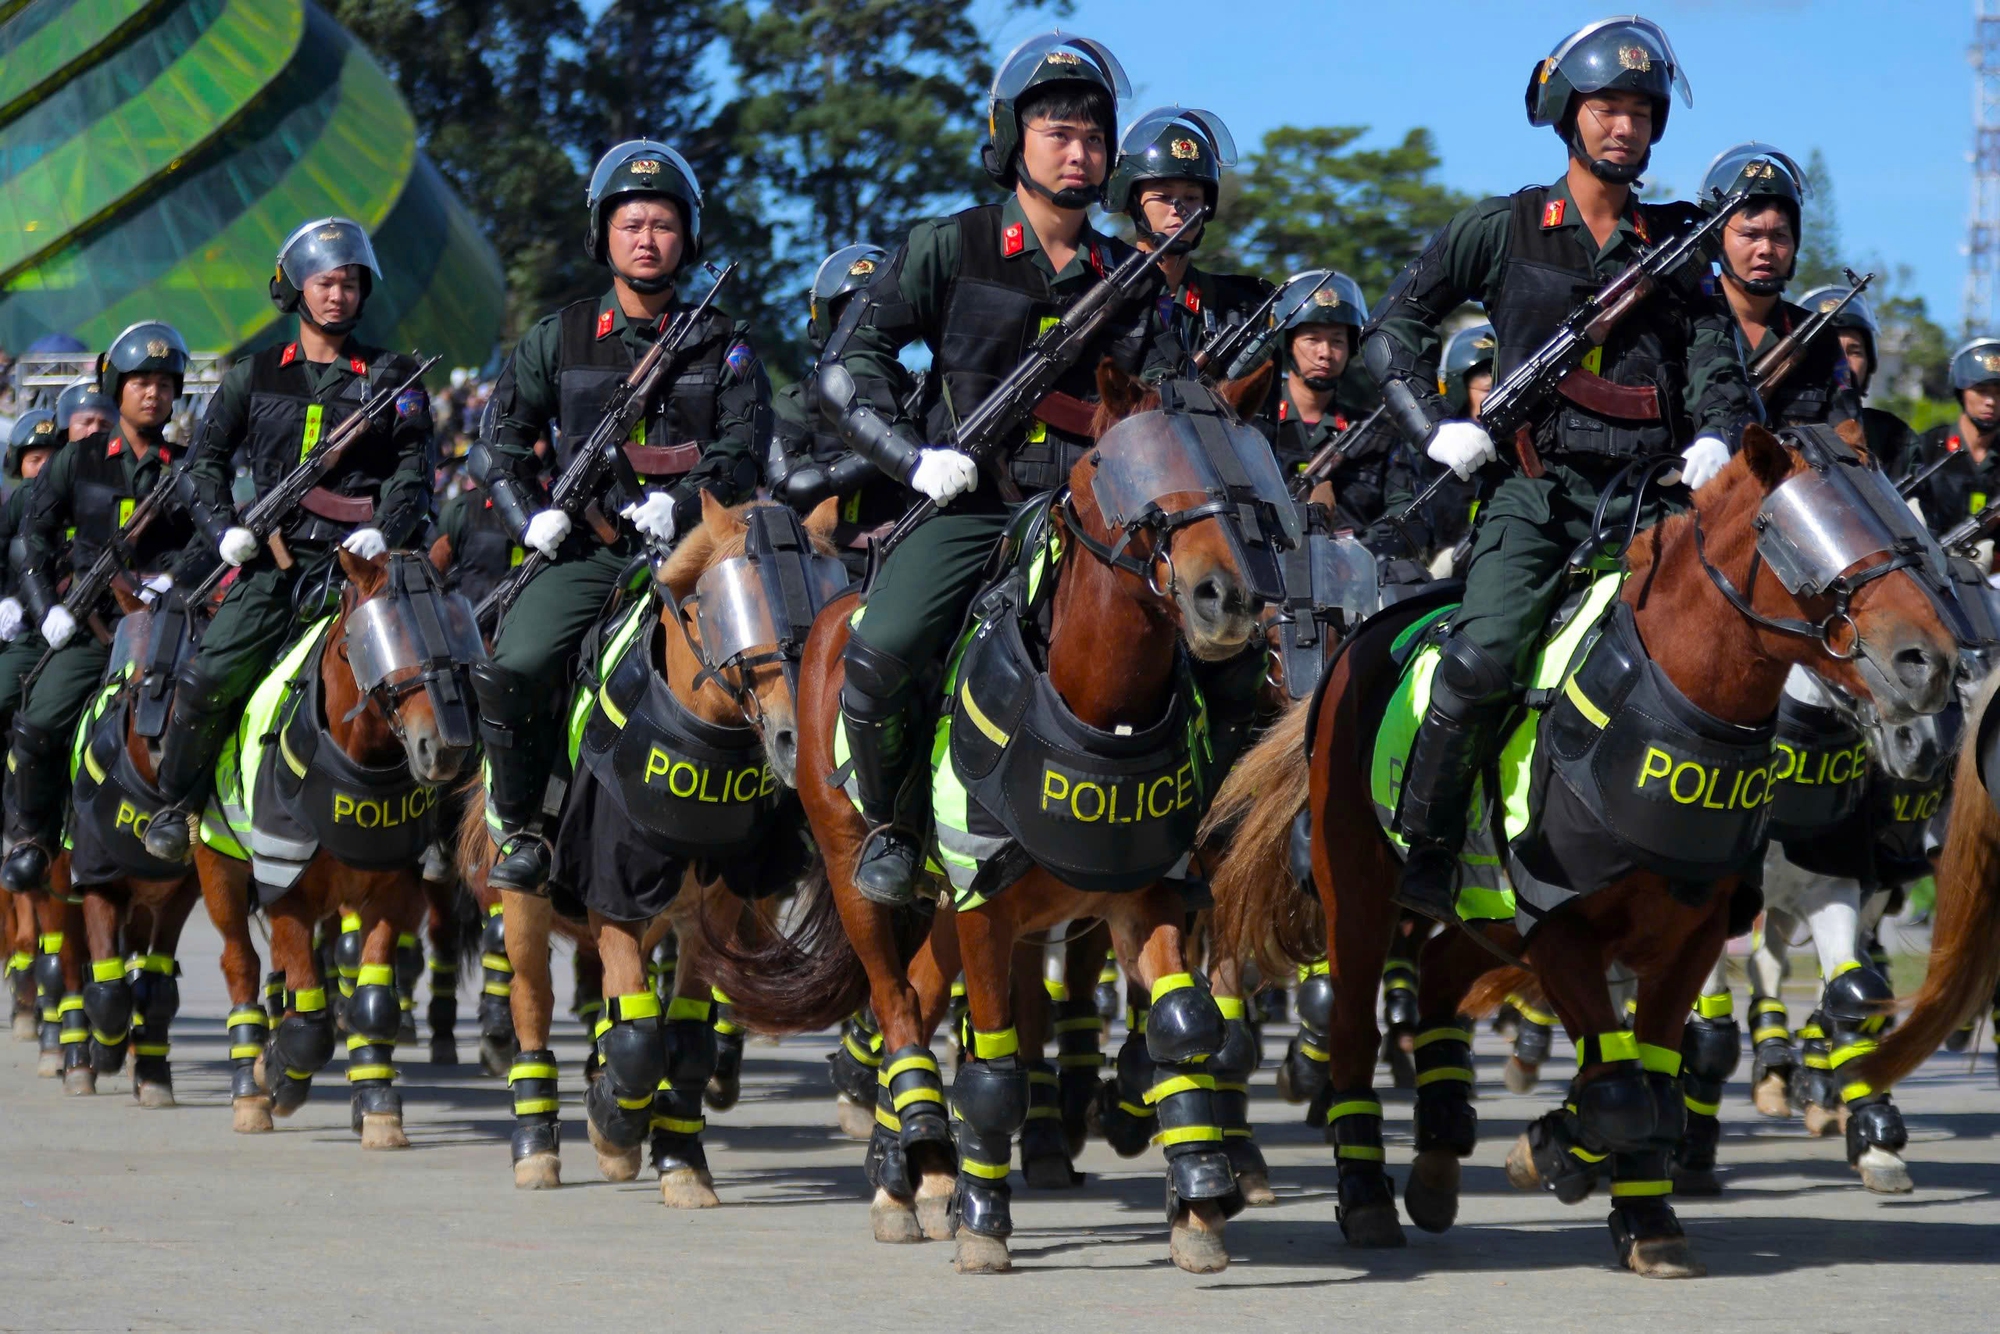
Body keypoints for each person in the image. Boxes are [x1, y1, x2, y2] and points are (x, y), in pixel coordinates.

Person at [1359, 16, 1753, 920]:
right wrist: (1432, 427)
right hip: (1536, 494)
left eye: (1641, 112)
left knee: (1735, 654)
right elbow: (1391, 332)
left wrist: (1717, 437)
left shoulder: (1681, 241)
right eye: (1606, 108)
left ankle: (1725, 861)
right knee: (1485, 654)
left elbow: (1715, 358)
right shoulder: (1503, 229)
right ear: (1567, 115)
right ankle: (1428, 841)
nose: (1624, 127)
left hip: (1652, 501)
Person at [814, 31, 1167, 904]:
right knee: (883, 650)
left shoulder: (1132, 274)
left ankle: (1196, 832)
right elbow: (844, 364)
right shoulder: (951, 246)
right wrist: (911, 455)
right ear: (1014, 140)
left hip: (1097, 520)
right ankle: (895, 830)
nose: (1078, 152)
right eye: (1057, 132)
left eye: (1092, 136)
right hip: (974, 506)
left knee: (1226, 644)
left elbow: (1173, 406)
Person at [468, 141, 769, 893]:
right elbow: (498, 444)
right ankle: (523, 829)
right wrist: (527, 515)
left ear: (686, 237)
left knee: (780, 660)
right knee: (514, 667)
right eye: (631, 223)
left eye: (662, 224)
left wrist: (686, 499)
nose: (646, 238)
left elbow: (747, 446)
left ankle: (772, 830)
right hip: (590, 550)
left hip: (698, 555)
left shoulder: (723, 342)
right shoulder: (558, 338)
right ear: (603, 234)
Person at [139, 218, 435, 861]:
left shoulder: (395, 376)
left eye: (352, 284)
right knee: (206, 677)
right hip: (277, 561)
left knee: (437, 674)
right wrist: (226, 533)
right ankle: (177, 807)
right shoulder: (254, 375)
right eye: (327, 283)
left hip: (365, 568)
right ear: (296, 289)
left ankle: (437, 823)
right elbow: (202, 465)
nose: (339, 296)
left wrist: (382, 534)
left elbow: (415, 471)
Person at [1, 324, 206, 889]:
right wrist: (47, 608)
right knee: (38, 721)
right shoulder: (77, 459)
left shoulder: (187, 464)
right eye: (142, 381)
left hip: (162, 624)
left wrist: (173, 581)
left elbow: (211, 537)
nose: (154, 394)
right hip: (91, 623)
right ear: (117, 387)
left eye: (166, 384)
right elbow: (35, 534)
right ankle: (33, 840)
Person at [1255, 269, 1424, 562]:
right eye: (1312, 339)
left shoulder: (1377, 435)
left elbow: (1405, 511)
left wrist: (1361, 551)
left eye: (1337, 341)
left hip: (1356, 577)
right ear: (1289, 345)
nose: (1325, 353)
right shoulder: (1254, 425)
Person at [767, 244, 914, 577]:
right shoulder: (796, 400)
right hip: (823, 562)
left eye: (872, 312)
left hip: (911, 559)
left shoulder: (920, 392)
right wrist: (891, 450)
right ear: (821, 325)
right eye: (848, 313)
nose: (860, 325)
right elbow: (790, 482)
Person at [1700, 143, 1859, 429]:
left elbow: (1848, 441)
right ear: (1716, 238)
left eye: (1780, 236)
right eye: (1751, 234)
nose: (1766, 249)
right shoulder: (1684, 322)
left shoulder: (1818, 340)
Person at [1104, 106, 1270, 368]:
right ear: (1130, 202)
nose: (1179, 211)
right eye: (1164, 197)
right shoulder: (1098, 291)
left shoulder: (1236, 308)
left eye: (1191, 198)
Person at [1794, 283, 1911, 463]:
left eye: (1854, 352)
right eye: (1830, 350)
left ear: (1869, 361)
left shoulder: (1895, 438)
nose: (1843, 364)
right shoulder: (1778, 426)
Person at [0, 411, 63, 733]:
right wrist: (6, 600)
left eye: (53, 459)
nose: (44, 468)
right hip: (18, 627)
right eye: (35, 459)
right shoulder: (16, 504)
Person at [1899, 337, 2000, 536]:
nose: (1990, 401)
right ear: (1961, 392)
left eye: (1999, 393)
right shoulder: (1924, 449)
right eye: (1981, 390)